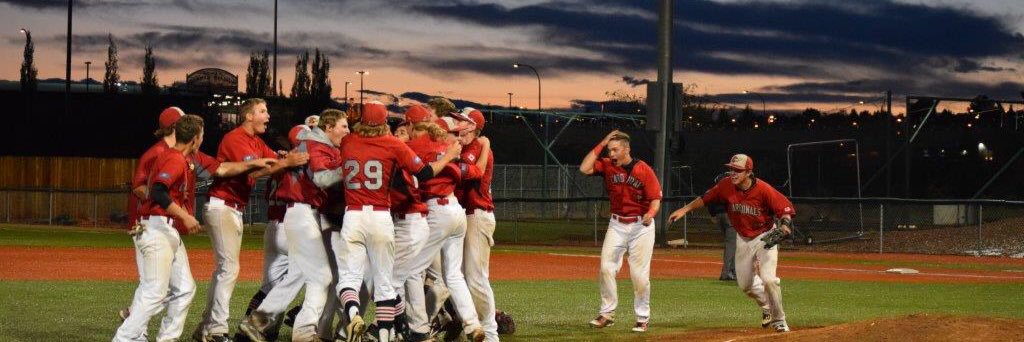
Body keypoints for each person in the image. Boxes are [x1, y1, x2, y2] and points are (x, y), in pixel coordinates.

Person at [114, 115, 274, 342]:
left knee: (185, 288)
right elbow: (159, 191)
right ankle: (124, 338)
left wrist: (251, 164)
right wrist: (185, 216)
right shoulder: (174, 158)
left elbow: (220, 169)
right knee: (154, 292)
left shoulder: (185, 157)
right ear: (196, 138)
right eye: (202, 134)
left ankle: (166, 338)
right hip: (156, 226)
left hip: (165, 229)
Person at [334, 102, 461, 342]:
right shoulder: (393, 144)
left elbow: (354, 136)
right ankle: (386, 335)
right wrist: (448, 157)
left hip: (353, 215)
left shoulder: (348, 141)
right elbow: (424, 173)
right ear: (384, 122)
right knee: (385, 283)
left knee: (349, 280)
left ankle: (353, 316)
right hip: (382, 217)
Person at [195, 98, 310, 342]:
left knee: (224, 271)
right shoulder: (236, 138)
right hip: (222, 206)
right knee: (229, 270)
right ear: (249, 116)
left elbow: (274, 162)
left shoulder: (256, 141)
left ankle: (206, 328)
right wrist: (287, 162)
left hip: (233, 208)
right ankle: (216, 330)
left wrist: (284, 158)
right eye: (262, 111)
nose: (267, 116)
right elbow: (255, 171)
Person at [239, 110, 350, 342]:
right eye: (343, 126)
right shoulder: (316, 144)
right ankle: (303, 332)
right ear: (328, 128)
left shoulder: (315, 144)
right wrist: (350, 168)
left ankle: (256, 322)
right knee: (321, 277)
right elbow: (322, 179)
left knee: (298, 274)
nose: (347, 131)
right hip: (301, 212)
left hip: (301, 214)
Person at [668, 154, 795, 333]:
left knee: (769, 279)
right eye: (731, 169)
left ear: (749, 172)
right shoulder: (726, 185)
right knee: (745, 285)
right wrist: (684, 209)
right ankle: (766, 304)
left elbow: (785, 209)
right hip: (743, 238)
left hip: (765, 236)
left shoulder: (764, 190)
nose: (732, 173)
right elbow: (705, 198)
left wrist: (785, 225)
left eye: (737, 170)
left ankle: (779, 320)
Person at [233, 125, 311, 342]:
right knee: (305, 276)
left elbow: (261, 175)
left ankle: (248, 331)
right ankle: (268, 321)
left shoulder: (279, 161)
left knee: (270, 285)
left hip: (273, 227)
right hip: (292, 226)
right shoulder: (302, 160)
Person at [579, 130, 661, 333]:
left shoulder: (644, 170)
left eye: (615, 149)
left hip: (640, 226)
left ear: (627, 149)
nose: (611, 153)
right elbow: (584, 168)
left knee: (639, 275)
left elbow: (655, 200)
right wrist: (603, 141)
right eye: (609, 149)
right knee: (606, 267)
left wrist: (651, 213)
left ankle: (642, 318)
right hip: (617, 224)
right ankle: (607, 314)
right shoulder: (607, 165)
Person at [455, 107, 499, 342]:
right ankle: (467, 327)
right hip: (465, 215)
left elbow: (471, 172)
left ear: (472, 126)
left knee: (476, 278)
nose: (457, 124)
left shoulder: (478, 147)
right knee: (459, 277)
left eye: (462, 121)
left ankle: (491, 333)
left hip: (477, 214)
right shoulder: (468, 145)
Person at [708, 171, 737, 281]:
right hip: (730, 216)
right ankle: (727, 273)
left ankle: (733, 271)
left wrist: (713, 214)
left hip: (719, 216)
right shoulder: (731, 185)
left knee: (733, 244)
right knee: (732, 245)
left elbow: (709, 199)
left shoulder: (718, 185)